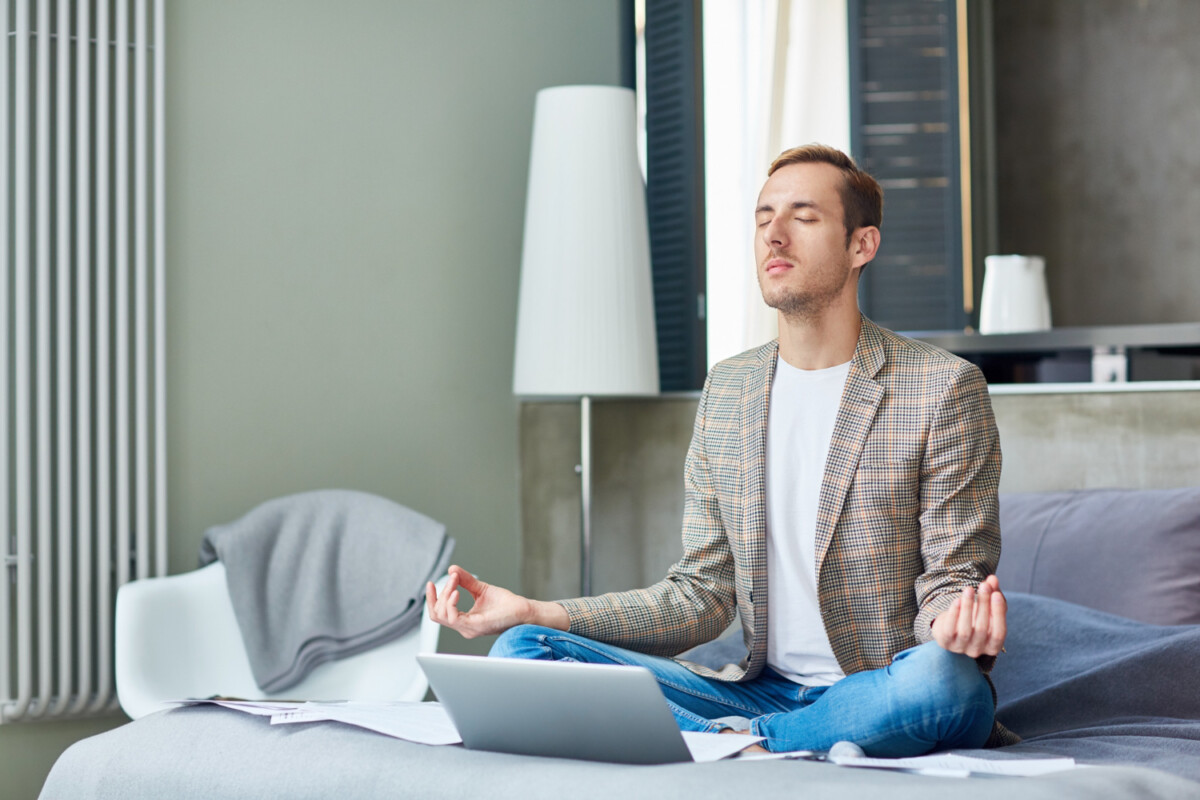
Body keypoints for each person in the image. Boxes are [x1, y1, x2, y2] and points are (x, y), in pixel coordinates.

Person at [427, 143, 1016, 754]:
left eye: (804, 218)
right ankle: (751, 739)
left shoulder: (942, 387)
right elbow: (701, 596)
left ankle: (730, 745)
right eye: (764, 219)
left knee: (950, 685)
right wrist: (535, 609)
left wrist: (954, 625)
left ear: (861, 245)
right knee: (523, 648)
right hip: (757, 691)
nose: (775, 237)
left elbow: (951, 579)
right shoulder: (729, 389)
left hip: (879, 686)